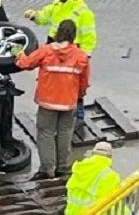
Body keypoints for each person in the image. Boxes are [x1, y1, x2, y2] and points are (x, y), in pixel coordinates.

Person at [14, 19, 90, 179]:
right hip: (69, 102)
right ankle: (62, 167)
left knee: (45, 133)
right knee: (65, 133)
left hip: (47, 101)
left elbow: (26, 63)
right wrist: (80, 95)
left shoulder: (46, 51)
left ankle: (47, 169)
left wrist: (18, 54)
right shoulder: (81, 56)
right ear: (74, 35)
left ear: (58, 33)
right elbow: (84, 81)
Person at [23, 0, 97, 55]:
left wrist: (86, 53)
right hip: (52, 43)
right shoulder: (57, 5)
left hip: (71, 49)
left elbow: (89, 35)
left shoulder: (84, 12)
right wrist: (34, 16)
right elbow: (43, 18)